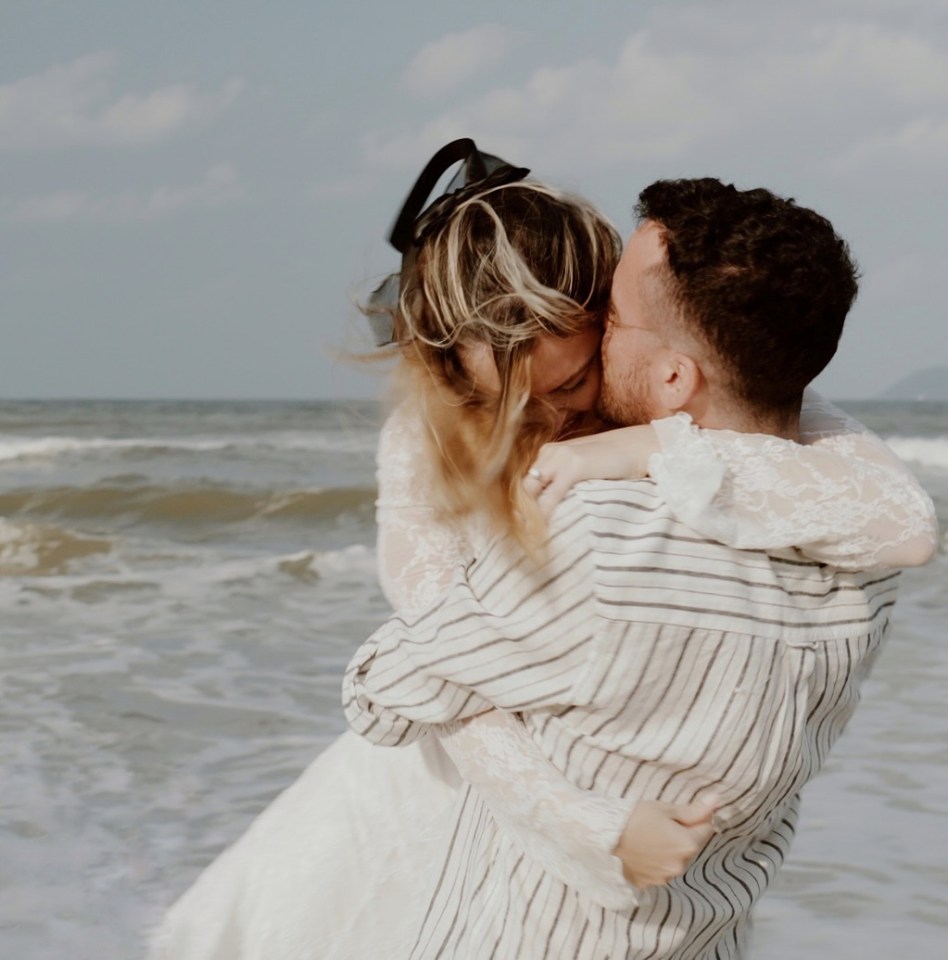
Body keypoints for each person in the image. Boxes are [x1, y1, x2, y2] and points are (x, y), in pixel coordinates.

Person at [151, 145, 936, 959]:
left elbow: (899, 522)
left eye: (571, 384)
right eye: (510, 400)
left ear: (605, 318)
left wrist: (645, 448)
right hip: (427, 793)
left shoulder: (680, 392)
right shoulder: (426, 447)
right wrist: (585, 826)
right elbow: (442, 683)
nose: (555, 421)